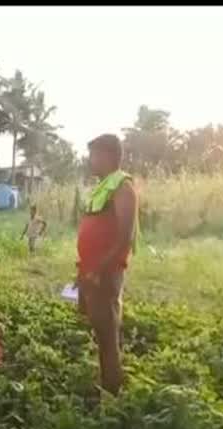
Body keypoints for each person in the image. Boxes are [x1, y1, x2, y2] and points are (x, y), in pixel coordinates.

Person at [76, 133, 138, 397]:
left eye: (95, 155)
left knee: (108, 332)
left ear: (110, 156)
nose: (91, 161)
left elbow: (125, 237)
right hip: (91, 269)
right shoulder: (103, 187)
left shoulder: (123, 188)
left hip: (105, 272)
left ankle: (112, 392)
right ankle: (107, 384)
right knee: (100, 330)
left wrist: (99, 268)